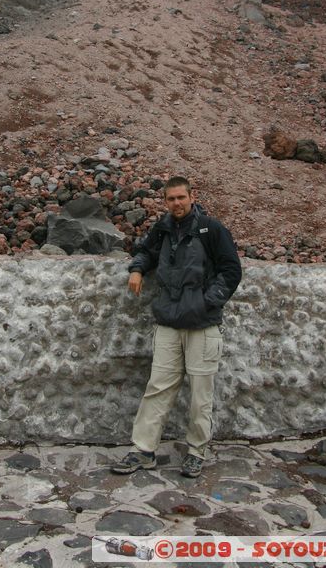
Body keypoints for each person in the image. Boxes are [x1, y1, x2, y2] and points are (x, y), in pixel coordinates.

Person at [111, 176, 242, 478]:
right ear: (165, 201)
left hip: (202, 325)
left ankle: (196, 452)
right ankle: (143, 450)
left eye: (181, 198)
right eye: (171, 199)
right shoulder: (163, 228)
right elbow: (146, 251)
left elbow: (231, 270)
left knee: (200, 394)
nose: (177, 204)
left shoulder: (212, 229)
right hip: (169, 322)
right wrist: (137, 269)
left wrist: (207, 302)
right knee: (158, 388)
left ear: (191, 197)